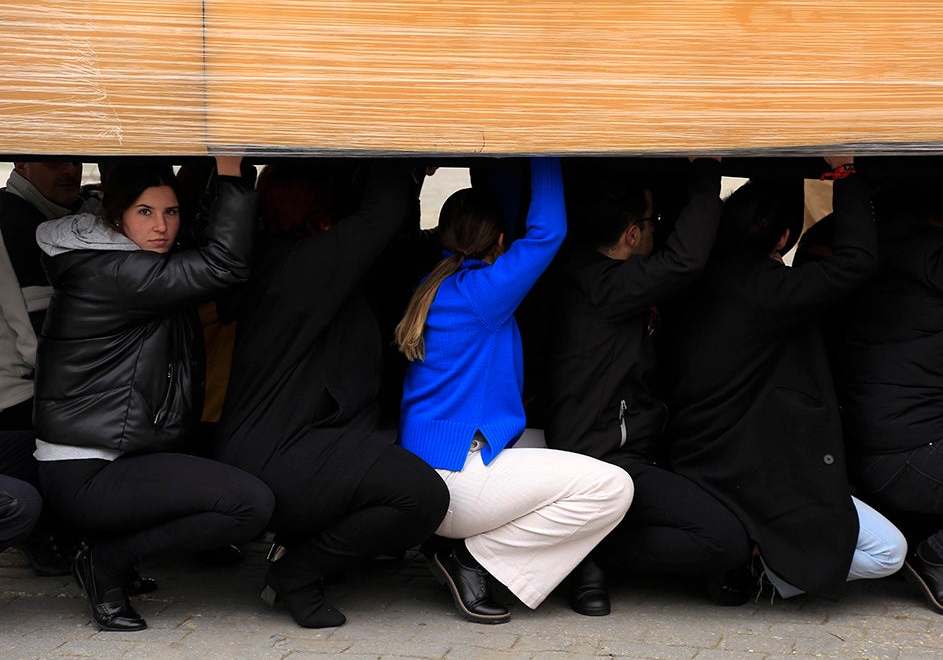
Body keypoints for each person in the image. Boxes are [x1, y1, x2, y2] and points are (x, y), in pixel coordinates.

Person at [32, 158, 275, 632]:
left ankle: (115, 555)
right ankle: (105, 562)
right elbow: (223, 264)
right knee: (249, 505)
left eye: (171, 212)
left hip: (119, 456)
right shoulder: (118, 273)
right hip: (87, 470)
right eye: (145, 212)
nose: (161, 227)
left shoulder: (119, 258)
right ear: (115, 216)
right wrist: (228, 173)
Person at [396, 157, 634, 624]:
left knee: (561, 444)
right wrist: (542, 146)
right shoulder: (483, 293)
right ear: (502, 242)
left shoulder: (432, 284)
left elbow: (503, 221)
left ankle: (472, 550)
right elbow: (547, 232)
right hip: (456, 483)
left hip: (427, 469)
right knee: (613, 487)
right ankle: (473, 558)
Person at [214, 159, 449, 629]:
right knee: (422, 497)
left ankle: (301, 550)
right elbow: (380, 215)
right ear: (323, 205)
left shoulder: (275, 256)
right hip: (278, 454)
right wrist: (390, 123)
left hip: (276, 440)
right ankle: (297, 573)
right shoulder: (305, 264)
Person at [662, 157, 906, 602]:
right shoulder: (769, 289)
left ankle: (757, 560)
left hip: (701, 462)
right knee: (888, 552)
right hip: (767, 475)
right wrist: (845, 175)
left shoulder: (690, 278)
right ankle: (770, 566)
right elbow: (856, 261)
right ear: (785, 237)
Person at [545, 159, 752, 613]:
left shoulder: (577, 270)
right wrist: (707, 170)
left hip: (625, 447)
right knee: (726, 542)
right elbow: (685, 260)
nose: (660, 230)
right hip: (604, 460)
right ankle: (589, 553)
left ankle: (589, 550)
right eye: (653, 222)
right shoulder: (609, 286)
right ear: (632, 236)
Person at [836, 176, 943, 618]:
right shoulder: (933, 254)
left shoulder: (923, 252)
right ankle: (941, 555)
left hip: (917, 439)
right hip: (909, 452)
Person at [0, 160, 87, 575]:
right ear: (20, 162)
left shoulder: (45, 216)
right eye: (53, 159)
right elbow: (37, 337)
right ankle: (42, 534)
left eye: (75, 158)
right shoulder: (14, 223)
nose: (70, 169)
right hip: (14, 396)